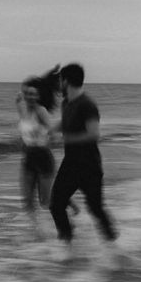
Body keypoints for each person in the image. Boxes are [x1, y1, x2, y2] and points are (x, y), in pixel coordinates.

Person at [49, 63, 118, 257]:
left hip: (89, 165)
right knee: (56, 205)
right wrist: (51, 130)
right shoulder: (67, 103)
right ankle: (67, 246)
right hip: (70, 163)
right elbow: (65, 122)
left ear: (66, 81)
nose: (59, 85)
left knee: (95, 208)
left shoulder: (87, 104)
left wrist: (66, 138)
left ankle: (114, 249)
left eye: (60, 80)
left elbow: (94, 134)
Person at [16, 66, 78, 238]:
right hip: (27, 158)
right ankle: (39, 234)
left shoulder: (41, 111)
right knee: (27, 202)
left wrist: (46, 137)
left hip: (43, 157)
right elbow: (22, 126)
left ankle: (67, 209)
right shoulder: (21, 107)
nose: (29, 97)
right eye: (27, 93)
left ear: (39, 97)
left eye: (33, 94)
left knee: (45, 201)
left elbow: (53, 129)